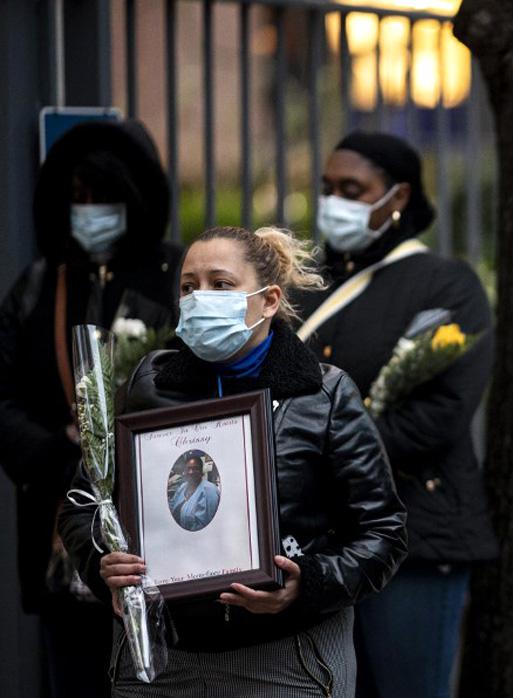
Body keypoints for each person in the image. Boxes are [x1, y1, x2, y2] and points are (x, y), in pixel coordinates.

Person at [58, 226, 407, 697]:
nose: (201, 298)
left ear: (269, 300)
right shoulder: (145, 386)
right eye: (188, 287)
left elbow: (383, 530)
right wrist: (105, 567)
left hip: (285, 661)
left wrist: (308, 586)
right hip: (161, 662)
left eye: (221, 285)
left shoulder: (322, 394)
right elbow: (82, 506)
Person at [297, 131, 497, 698]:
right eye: (328, 188)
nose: (334, 201)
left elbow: (440, 414)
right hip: (319, 544)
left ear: (398, 196)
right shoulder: (304, 286)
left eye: (353, 189)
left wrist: (321, 453)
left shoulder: (445, 285)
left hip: (416, 536)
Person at [0, 118, 179, 697]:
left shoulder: (177, 277)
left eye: (103, 197)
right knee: (73, 675)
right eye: (77, 198)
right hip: (61, 531)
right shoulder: (37, 285)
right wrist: (60, 456)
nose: (89, 211)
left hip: (161, 532)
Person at [169, 455, 220, 532]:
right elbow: (172, 505)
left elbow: (206, 526)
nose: (191, 472)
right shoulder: (183, 486)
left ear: (201, 471)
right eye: (188, 469)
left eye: (195, 468)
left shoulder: (209, 491)